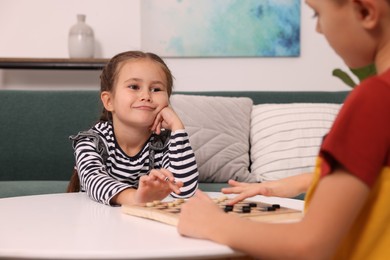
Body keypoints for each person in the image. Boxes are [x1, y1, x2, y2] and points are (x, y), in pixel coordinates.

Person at [178, 0, 390, 259]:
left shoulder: (376, 98)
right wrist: (279, 186)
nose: (320, 30)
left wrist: (211, 223)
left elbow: (310, 246)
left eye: (317, 14)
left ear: (366, 12)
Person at [71, 51, 199, 206]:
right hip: (96, 221)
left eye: (156, 89)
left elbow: (184, 191)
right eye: (134, 86)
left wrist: (178, 128)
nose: (146, 95)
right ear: (109, 101)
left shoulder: (164, 143)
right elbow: (94, 180)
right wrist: (135, 197)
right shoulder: (92, 141)